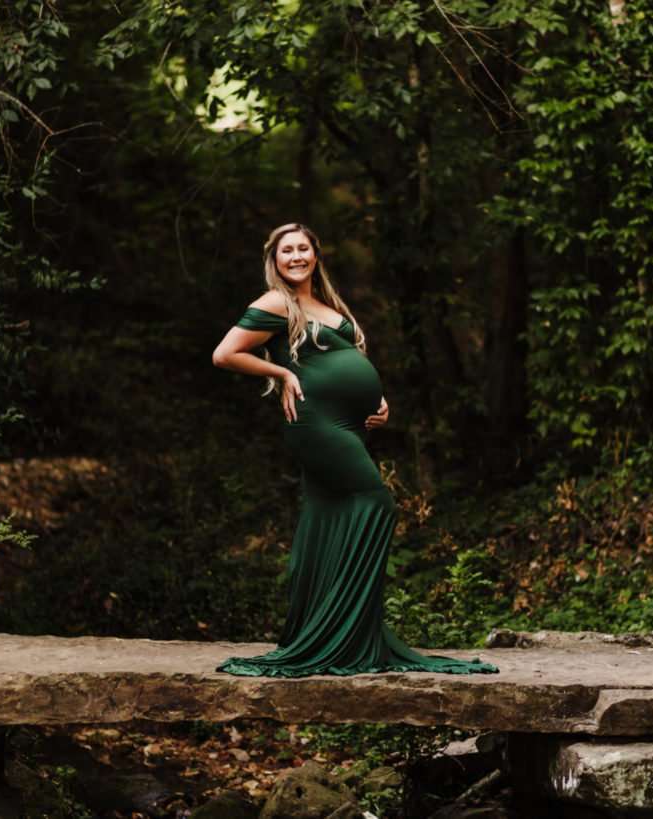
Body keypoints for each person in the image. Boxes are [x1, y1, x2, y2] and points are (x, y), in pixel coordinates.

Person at [211, 223, 499, 677]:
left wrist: (376, 401)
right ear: (274, 260)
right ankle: (341, 631)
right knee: (376, 503)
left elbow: (346, 360)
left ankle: (328, 629)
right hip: (314, 422)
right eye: (287, 251)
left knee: (326, 514)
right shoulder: (274, 303)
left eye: (303, 248)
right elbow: (224, 354)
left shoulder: (328, 306)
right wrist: (282, 375)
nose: (296, 257)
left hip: (349, 422)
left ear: (316, 255)